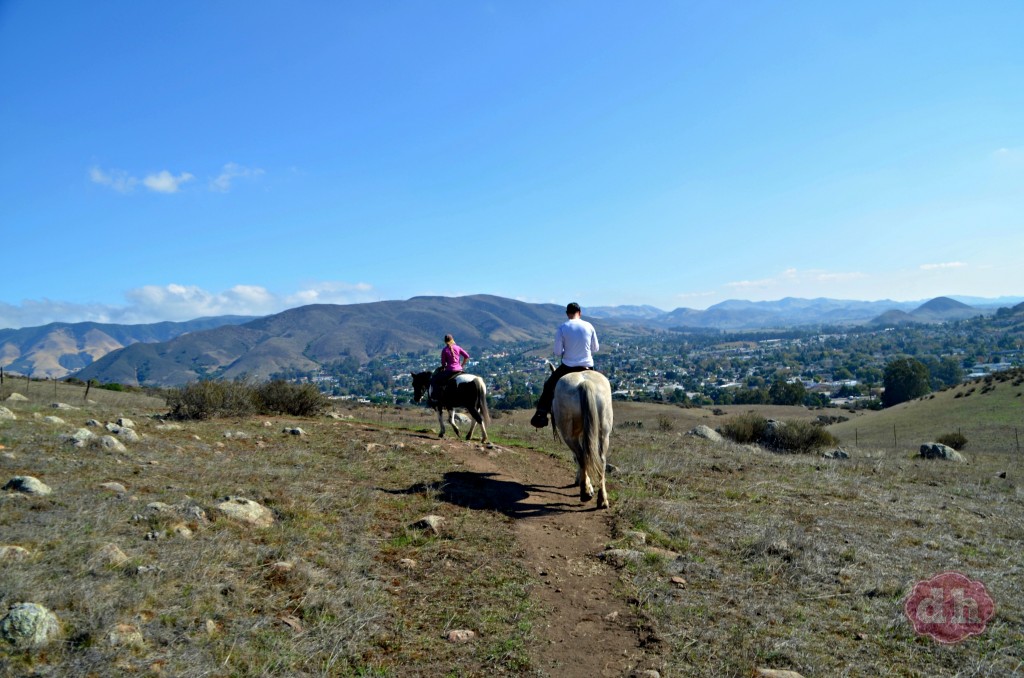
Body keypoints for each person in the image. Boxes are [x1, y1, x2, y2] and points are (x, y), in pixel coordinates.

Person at [531, 302, 599, 428]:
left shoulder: (563, 327)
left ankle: (541, 414)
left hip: (568, 367)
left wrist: (566, 351)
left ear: (567, 314)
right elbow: (595, 348)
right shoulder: (589, 326)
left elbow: (557, 352)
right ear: (580, 312)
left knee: (548, 385)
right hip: (588, 366)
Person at [428, 334, 470, 401]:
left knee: (434, 379)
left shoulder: (445, 350)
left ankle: (435, 397)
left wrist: (443, 367)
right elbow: (467, 356)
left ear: (445, 341)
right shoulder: (458, 347)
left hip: (449, 371)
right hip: (459, 370)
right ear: (452, 340)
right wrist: (462, 365)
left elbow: (443, 364)